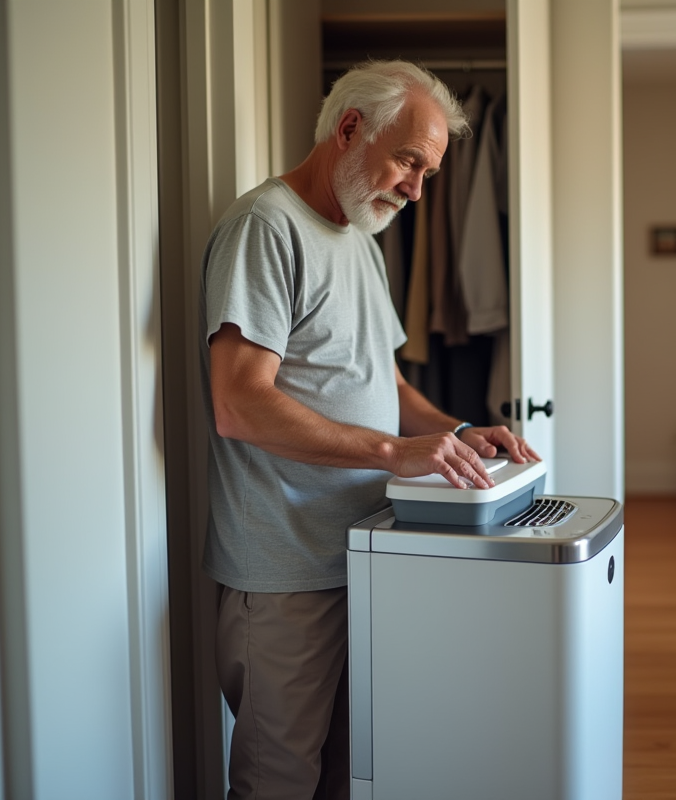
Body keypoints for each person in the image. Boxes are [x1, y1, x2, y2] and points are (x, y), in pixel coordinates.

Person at [199, 59, 540, 800]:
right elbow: (238, 402)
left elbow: (383, 383)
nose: (417, 188)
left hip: (364, 551)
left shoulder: (359, 234)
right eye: (409, 160)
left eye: (429, 170)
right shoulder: (265, 227)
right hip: (286, 570)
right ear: (349, 129)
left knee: (349, 774)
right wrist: (395, 451)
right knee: (276, 781)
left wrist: (459, 430)